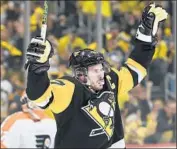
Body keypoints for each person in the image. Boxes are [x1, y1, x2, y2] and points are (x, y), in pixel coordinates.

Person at [24, 3, 168, 148]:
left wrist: (146, 37)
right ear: (81, 75)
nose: (101, 74)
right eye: (95, 70)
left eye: (101, 69)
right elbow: (39, 96)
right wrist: (37, 68)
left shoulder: (110, 80)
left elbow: (136, 69)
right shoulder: (70, 89)